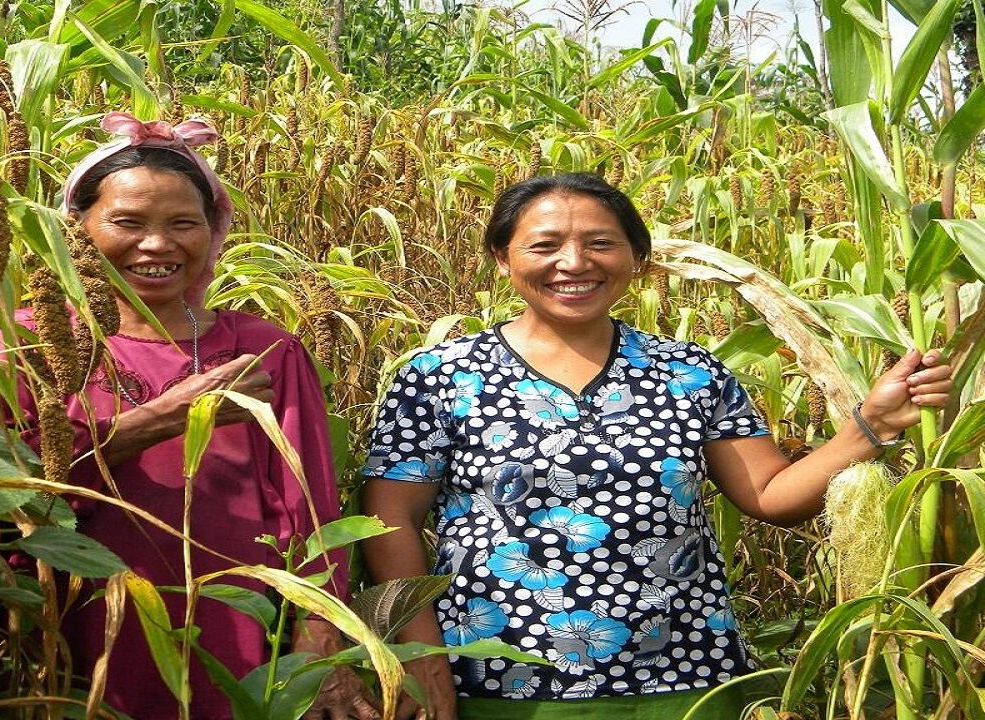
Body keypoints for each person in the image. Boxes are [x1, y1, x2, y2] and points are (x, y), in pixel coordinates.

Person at [360, 173, 953, 719]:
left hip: (685, 676)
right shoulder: (442, 374)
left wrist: (870, 426)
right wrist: (419, 655)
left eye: (601, 243)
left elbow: (771, 495)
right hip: (500, 679)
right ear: (501, 257)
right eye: (544, 246)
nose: (574, 263)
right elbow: (391, 519)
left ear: (636, 259)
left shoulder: (690, 371)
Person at [0, 112, 376, 720]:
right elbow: (1, 493)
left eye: (183, 223)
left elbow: (313, 511)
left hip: (233, 636)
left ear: (213, 232)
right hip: (62, 631)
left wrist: (317, 649)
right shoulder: (24, 342)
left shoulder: (264, 352)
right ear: (75, 229)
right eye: (127, 222)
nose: (157, 245)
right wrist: (163, 418)